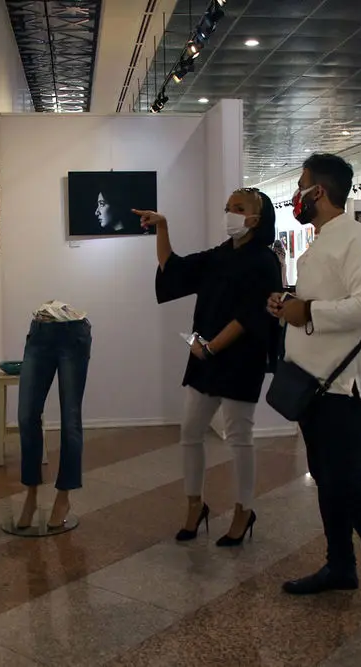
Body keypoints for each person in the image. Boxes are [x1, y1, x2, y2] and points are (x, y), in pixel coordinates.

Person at [267, 153, 361, 636]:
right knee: (326, 480)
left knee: (348, 482)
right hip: (313, 383)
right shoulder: (323, 240)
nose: (297, 195)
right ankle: (340, 565)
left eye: (301, 186)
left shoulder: (360, 241)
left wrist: (306, 311)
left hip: (344, 388)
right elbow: (324, 301)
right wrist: (288, 304)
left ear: (320, 192)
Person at [136, 188, 281, 547]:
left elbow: (252, 315)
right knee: (191, 431)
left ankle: (243, 510)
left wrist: (213, 347)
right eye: (228, 207)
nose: (230, 213)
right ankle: (194, 505)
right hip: (205, 357)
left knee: (239, 437)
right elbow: (174, 269)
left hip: (239, 359)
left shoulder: (264, 261)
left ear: (256, 218)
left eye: (238, 208)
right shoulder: (220, 254)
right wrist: (162, 227)